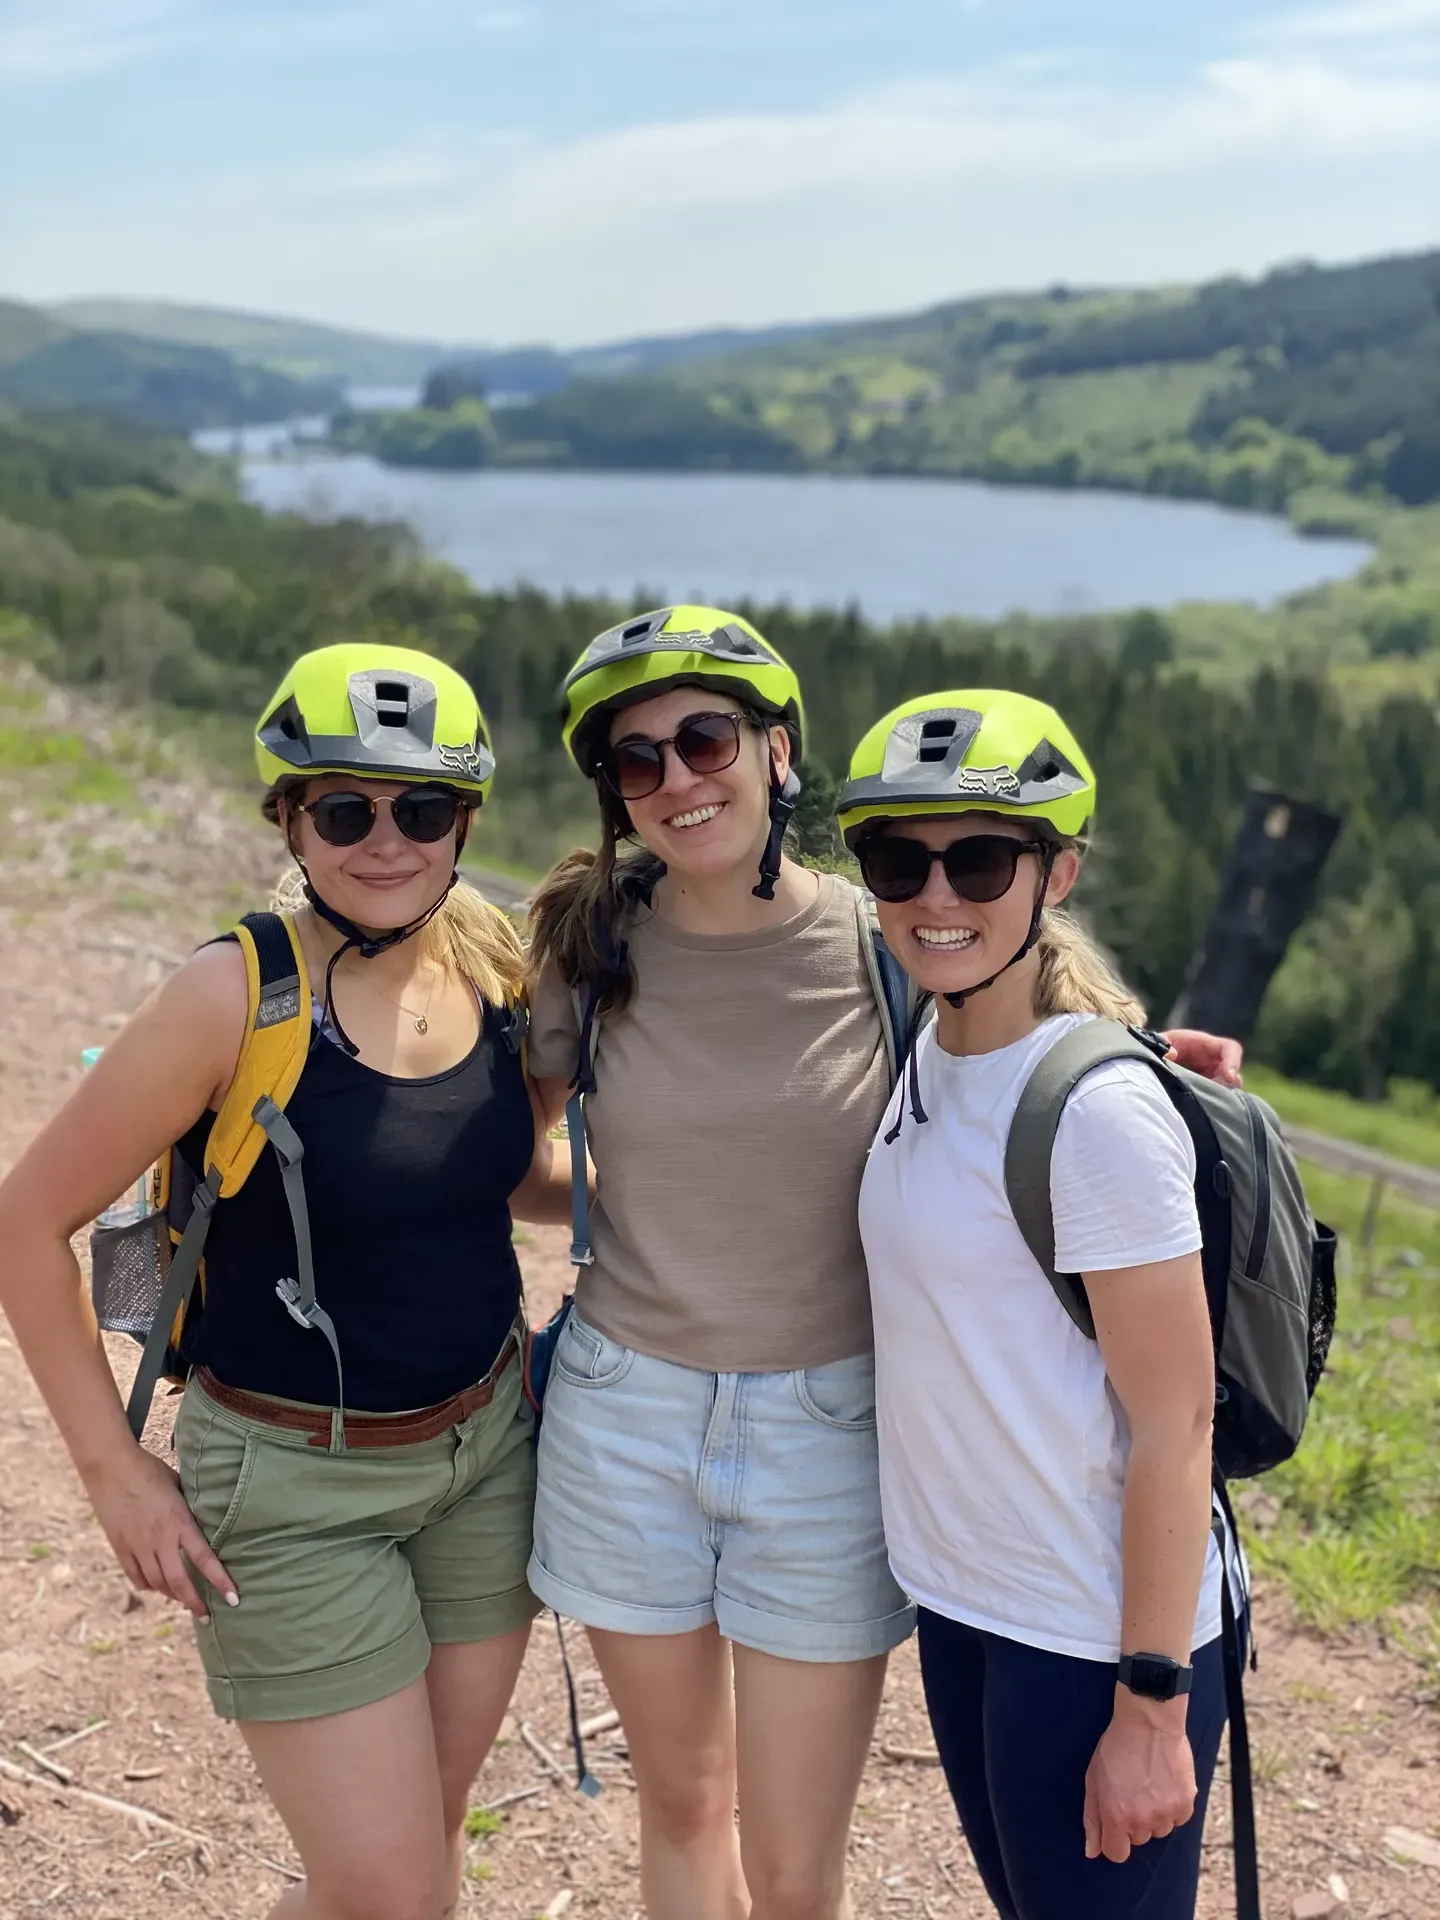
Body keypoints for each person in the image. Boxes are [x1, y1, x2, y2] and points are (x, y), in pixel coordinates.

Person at [523, 608, 1239, 1920]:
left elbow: (1015, 1031)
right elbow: (524, 1164)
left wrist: (1153, 1070)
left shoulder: (886, 935)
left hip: (827, 1430)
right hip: (623, 1413)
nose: (678, 778)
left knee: (798, 1867)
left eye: (706, 737)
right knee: (680, 1808)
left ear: (776, 749)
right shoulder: (587, 943)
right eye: (638, 761)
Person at [0, 642, 570, 1920]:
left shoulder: (490, 974)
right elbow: (25, 1222)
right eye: (345, 810)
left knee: (415, 1852)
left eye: (421, 810)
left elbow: (505, 1179)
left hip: (485, 1454)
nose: (387, 841)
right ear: (289, 818)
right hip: (291, 1488)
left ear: (465, 821)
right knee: (387, 1889)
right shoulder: (232, 995)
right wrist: (112, 1472)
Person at [845, 690, 1230, 1920]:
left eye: (981, 859)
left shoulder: (1099, 1114)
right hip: (968, 1604)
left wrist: (1152, 1709)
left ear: (1055, 873)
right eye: (901, 860)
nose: (936, 895)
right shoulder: (932, 1044)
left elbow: (1178, 1428)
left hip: (1093, 1636)